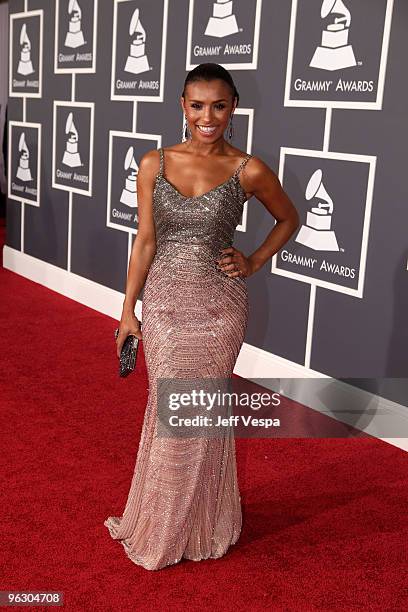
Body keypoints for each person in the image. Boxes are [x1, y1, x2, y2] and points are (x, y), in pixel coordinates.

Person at [104, 62, 299, 571]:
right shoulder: (154, 162)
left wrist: (253, 261)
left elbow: (289, 218)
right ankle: (167, 520)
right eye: (197, 105)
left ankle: (200, 521)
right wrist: (128, 309)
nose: (207, 116)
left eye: (218, 105)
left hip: (219, 309)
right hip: (166, 306)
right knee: (170, 412)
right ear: (182, 107)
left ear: (233, 108)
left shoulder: (247, 168)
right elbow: (145, 240)